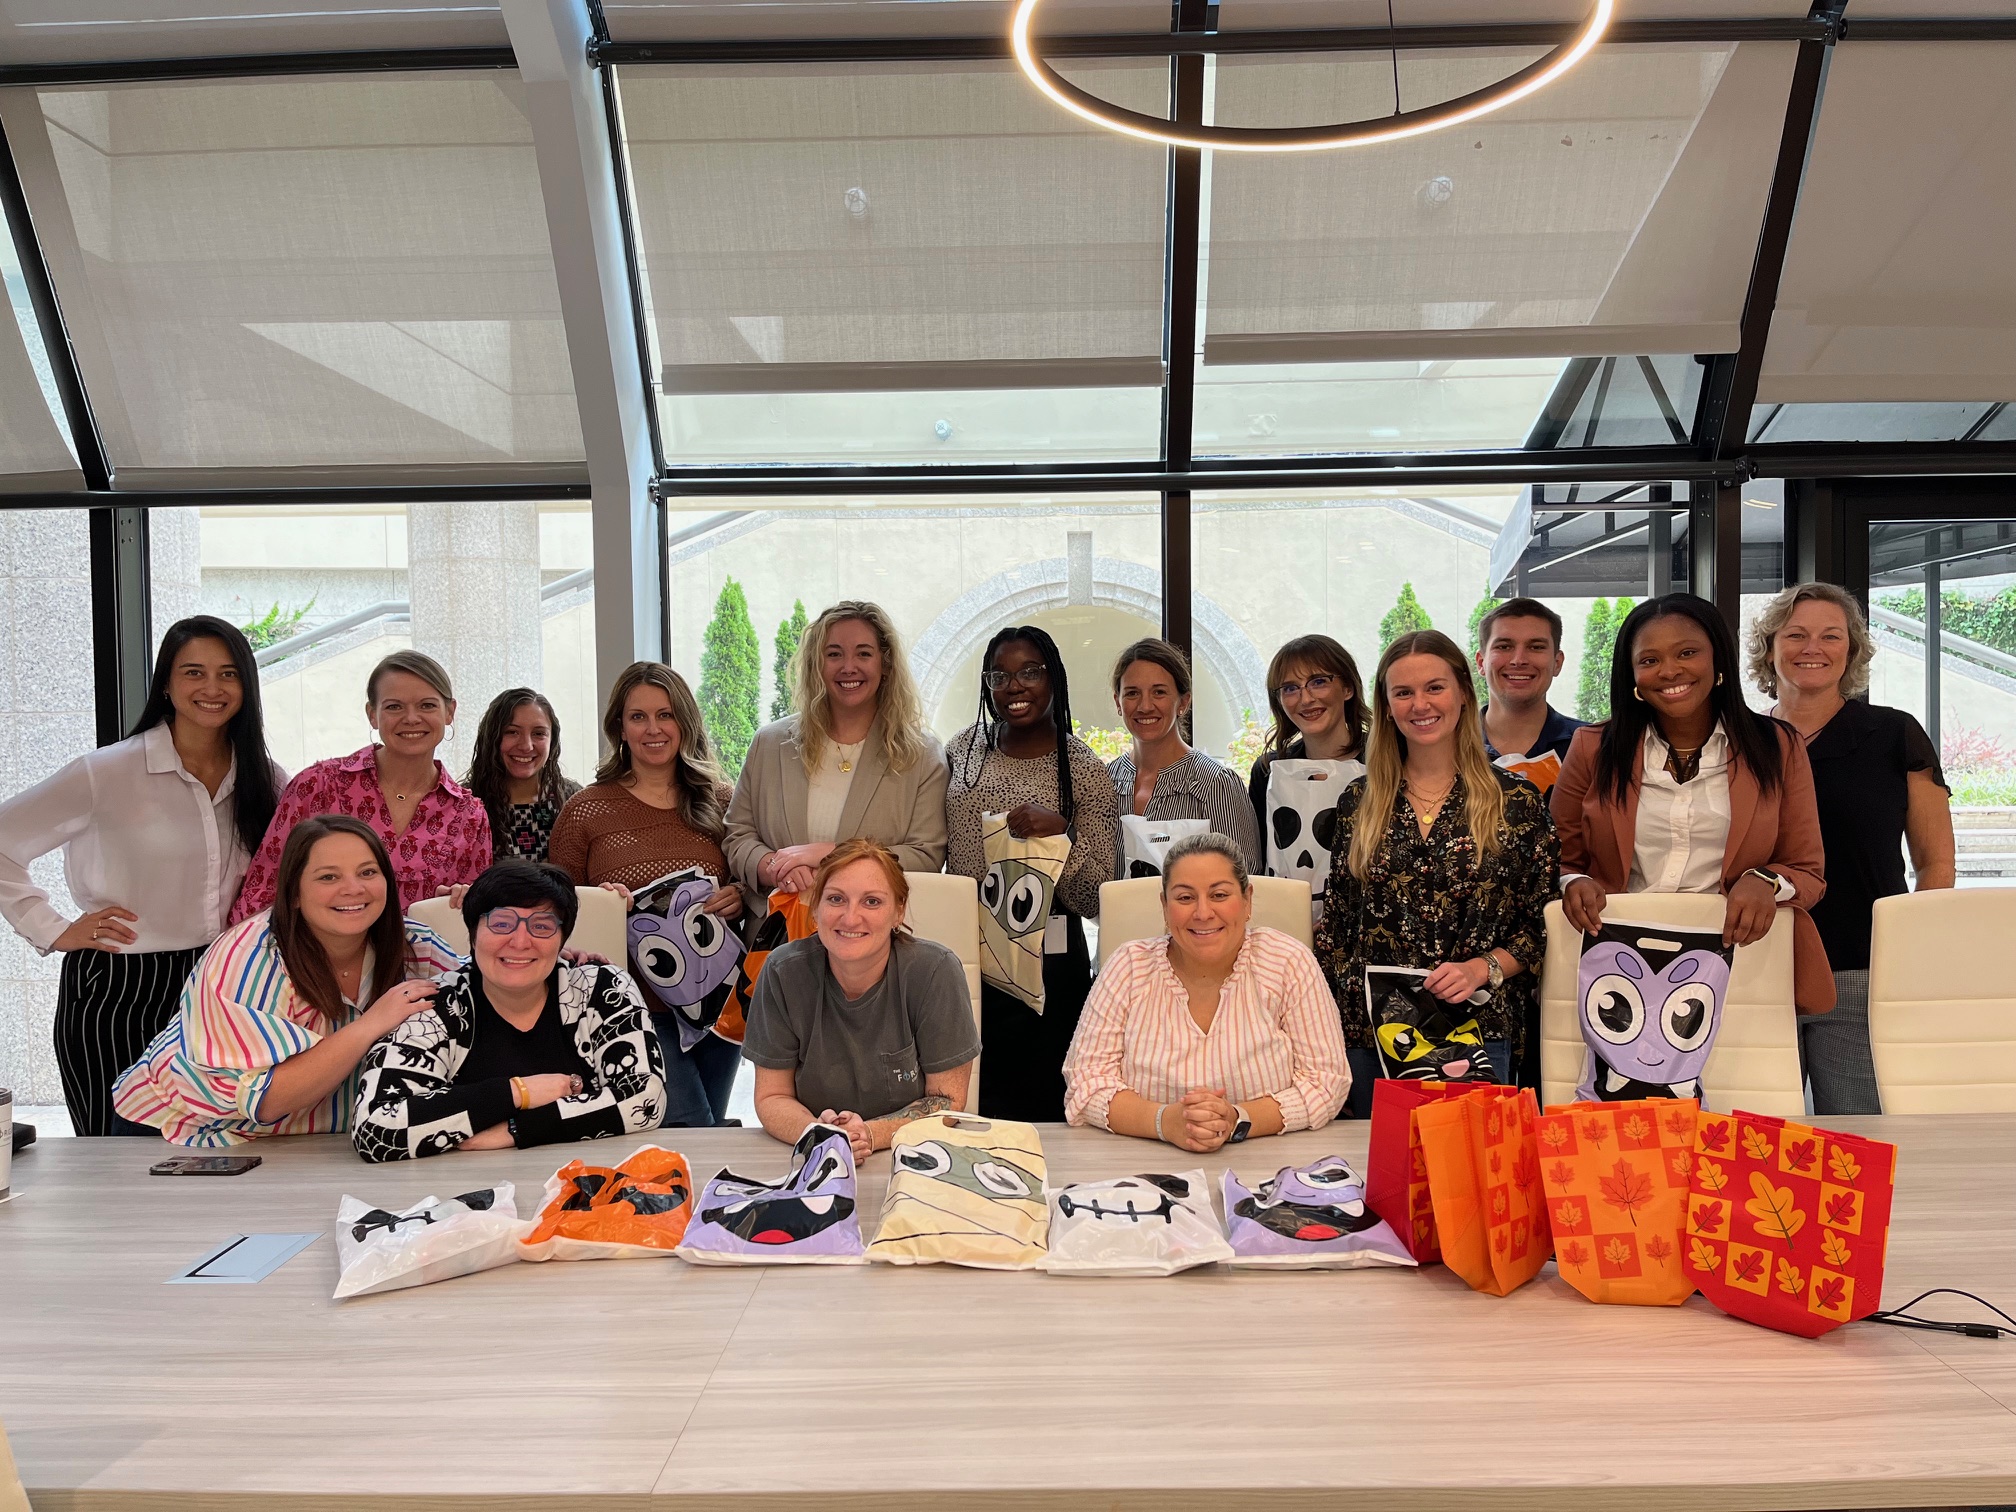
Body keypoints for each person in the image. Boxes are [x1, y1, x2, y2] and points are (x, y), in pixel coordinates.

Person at [0, 617, 284, 1135]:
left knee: (215, 1147)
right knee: (113, 1152)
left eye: (229, 674)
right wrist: (53, 929)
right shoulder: (106, 772)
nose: (212, 688)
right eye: (194, 672)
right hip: (119, 987)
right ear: (166, 685)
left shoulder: (266, 780)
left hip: (225, 984)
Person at [1554, 592, 1833, 1016]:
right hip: (1614, 964)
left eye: (1687, 653)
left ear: (1717, 658)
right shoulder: (1593, 748)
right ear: (1632, 675)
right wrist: (1573, 882)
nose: (1669, 671)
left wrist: (1764, 880)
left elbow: (1807, 870)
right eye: (1649, 660)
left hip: (1739, 963)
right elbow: (1555, 860)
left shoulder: (1778, 746)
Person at [1316, 631, 1559, 1117]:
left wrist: (1482, 968)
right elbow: (1338, 930)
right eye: (1403, 693)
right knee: (1376, 1161)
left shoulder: (1516, 802)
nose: (1420, 704)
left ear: (1464, 693)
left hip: (1477, 1027)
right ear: (1387, 707)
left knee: (1467, 1160)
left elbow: (1540, 926)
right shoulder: (1358, 803)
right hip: (1370, 1034)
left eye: (1434, 687)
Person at [112, 815, 461, 1145]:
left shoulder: (416, 946)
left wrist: (482, 908)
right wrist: (371, 1025)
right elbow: (265, 1099)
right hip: (185, 1132)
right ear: (293, 893)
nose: (353, 889)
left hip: (316, 1143)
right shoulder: (249, 956)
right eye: (328, 877)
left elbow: (486, 997)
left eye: (368, 872)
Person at [1749, 582, 1953, 1114]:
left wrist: (1910, 956)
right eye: (1795, 634)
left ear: (1852, 650)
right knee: (1756, 1138)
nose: (1812, 648)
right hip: (1756, 967)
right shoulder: (1741, 742)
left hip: (1862, 971)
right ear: (1769, 648)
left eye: (1830, 636)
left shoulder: (1893, 733)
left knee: (1859, 1136)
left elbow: (1936, 862)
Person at [352, 861, 665, 1160]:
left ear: (562, 940)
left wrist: (518, 1130)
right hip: (461, 1187)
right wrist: (519, 1092)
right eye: (501, 923)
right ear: (473, 934)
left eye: (541, 926)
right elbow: (375, 1129)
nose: (520, 942)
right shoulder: (435, 1004)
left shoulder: (603, 988)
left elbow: (645, 1097)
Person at [549, 660, 743, 1126]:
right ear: (620, 727)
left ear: (685, 722)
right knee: (692, 1128)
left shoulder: (723, 801)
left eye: (665, 715)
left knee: (707, 1130)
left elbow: (755, 886)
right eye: (638, 716)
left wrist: (739, 893)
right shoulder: (585, 811)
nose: (653, 729)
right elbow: (555, 911)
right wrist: (599, 904)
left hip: (717, 1003)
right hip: (631, 1007)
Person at [1063, 832, 1348, 1149]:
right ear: (1164, 905)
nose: (1203, 913)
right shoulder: (1127, 966)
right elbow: (1085, 1083)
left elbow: (1327, 1083)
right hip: (1139, 1165)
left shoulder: (1288, 962)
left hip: (1271, 1165)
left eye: (1219, 895)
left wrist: (1236, 1119)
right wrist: (1165, 1122)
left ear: (1247, 899)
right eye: (1185, 898)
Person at [946, 625, 1118, 1123]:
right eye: (999, 675)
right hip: (969, 956)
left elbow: (1096, 898)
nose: (1014, 686)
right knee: (972, 1105)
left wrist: (1062, 835)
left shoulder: (1083, 769)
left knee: (1047, 1109)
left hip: (1049, 967)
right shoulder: (963, 751)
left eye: (1030, 672)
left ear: (1054, 679)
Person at [745, 840, 979, 1161]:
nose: (850, 918)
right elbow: (772, 1096)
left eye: (872, 901)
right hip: (812, 1155)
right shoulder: (783, 972)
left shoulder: (936, 971)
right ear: (816, 908)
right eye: (836, 899)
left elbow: (947, 1099)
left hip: (913, 1155)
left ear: (898, 911)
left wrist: (867, 1134)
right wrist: (821, 1136)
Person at [230, 650, 490, 923]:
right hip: (313, 950)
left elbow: (478, 919)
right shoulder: (318, 785)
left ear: (449, 712)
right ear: (372, 714)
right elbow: (263, 890)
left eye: (427, 705)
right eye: (394, 707)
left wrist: (463, 898)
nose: (412, 718)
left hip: (423, 951)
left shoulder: (469, 816)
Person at [725, 601, 948, 906]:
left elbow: (926, 856)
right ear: (816, 664)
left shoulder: (921, 755)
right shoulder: (769, 743)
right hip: (776, 928)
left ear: (885, 664)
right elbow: (738, 836)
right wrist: (776, 867)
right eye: (834, 654)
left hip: (873, 930)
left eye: (864, 654)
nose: (848, 667)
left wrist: (832, 855)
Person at [1107, 637, 1261, 873]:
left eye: (1159, 692)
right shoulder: (1105, 781)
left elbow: (1244, 878)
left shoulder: (1216, 784)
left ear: (1183, 702)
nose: (1145, 706)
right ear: (1118, 702)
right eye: (1132, 693)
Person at [1245, 635, 1371, 872]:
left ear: (1348, 688)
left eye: (1319, 682)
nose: (1306, 698)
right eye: (1290, 688)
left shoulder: (1385, 761)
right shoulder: (1268, 772)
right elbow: (1257, 864)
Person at [463, 688, 580, 864]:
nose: (526, 746)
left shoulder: (574, 802)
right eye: (512, 732)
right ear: (492, 738)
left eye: (538, 733)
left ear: (553, 741)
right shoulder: (463, 805)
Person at [1476, 597, 1584, 772]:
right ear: (1481, 662)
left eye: (1536, 647)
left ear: (1557, 663)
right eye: (1504, 647)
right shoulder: (1448, 746)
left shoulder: (1592, 746)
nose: (1519, 660)